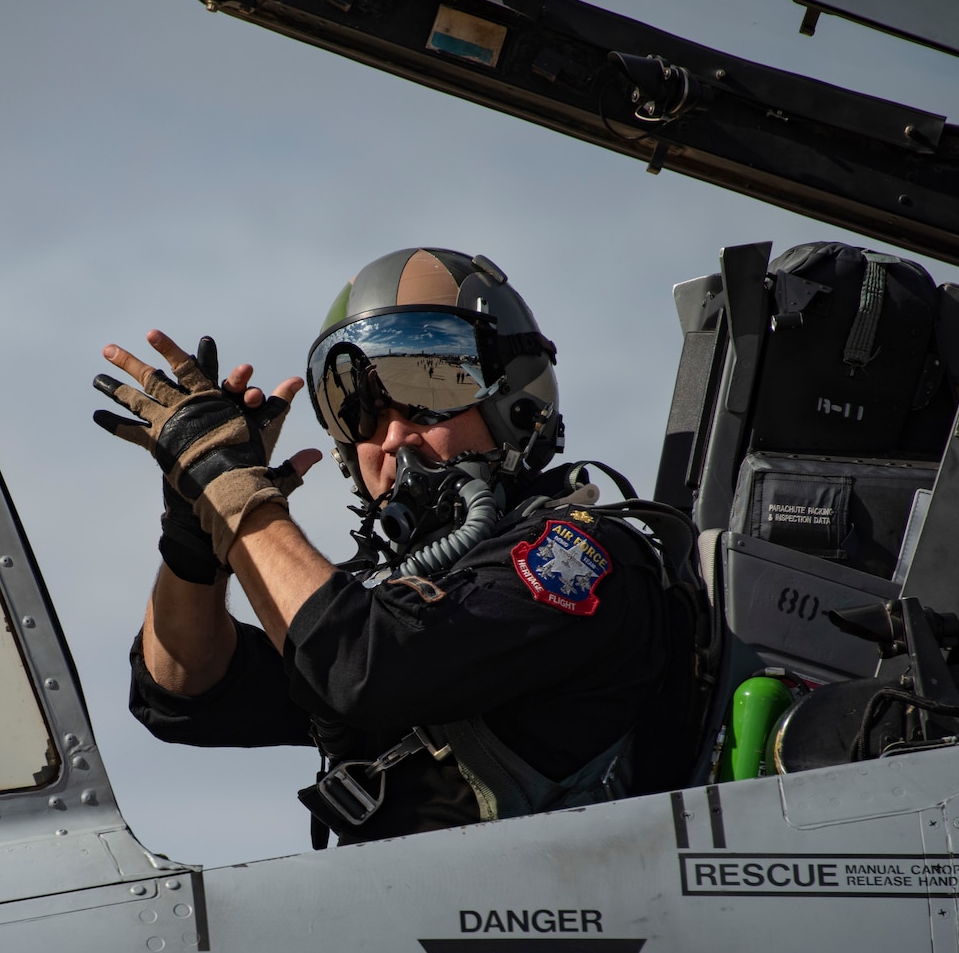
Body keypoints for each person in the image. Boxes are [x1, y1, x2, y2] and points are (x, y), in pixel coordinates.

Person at [92, 248, 675, 846]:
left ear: (514, 402)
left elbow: (363, 665)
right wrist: (197, 533)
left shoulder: (582, 559)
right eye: (359, 411)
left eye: (431, 386)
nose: (392, 435)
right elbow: (180, 692)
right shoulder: (384, 606)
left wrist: (236, 493)